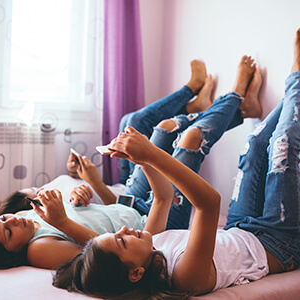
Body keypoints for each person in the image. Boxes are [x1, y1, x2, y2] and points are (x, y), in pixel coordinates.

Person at [51, 29, 300, 299]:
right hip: (277, 243)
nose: (123, 230)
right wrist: (150, 155)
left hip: (240, 227)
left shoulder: (150, 249)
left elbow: (163, 196)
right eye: (121, 240)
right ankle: (296, 78)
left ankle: (291, 89)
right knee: (281, 144)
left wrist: (141, 158)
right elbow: (209, 203)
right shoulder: (184, 278)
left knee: (254, 144)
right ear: (135, 274)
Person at [0, 60, 219, 270]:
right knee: (185, 140)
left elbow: (85, 217)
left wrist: (78, 196)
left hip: (127, 205)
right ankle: (230, 103)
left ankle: (197, 102)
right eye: (8, 232)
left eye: (3, 219)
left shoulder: (25, 215)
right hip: (141, 221)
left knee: (134, 124)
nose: (11, 220)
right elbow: (101, 252)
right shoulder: (37, 249)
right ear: (9, 256)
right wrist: (92, 184)